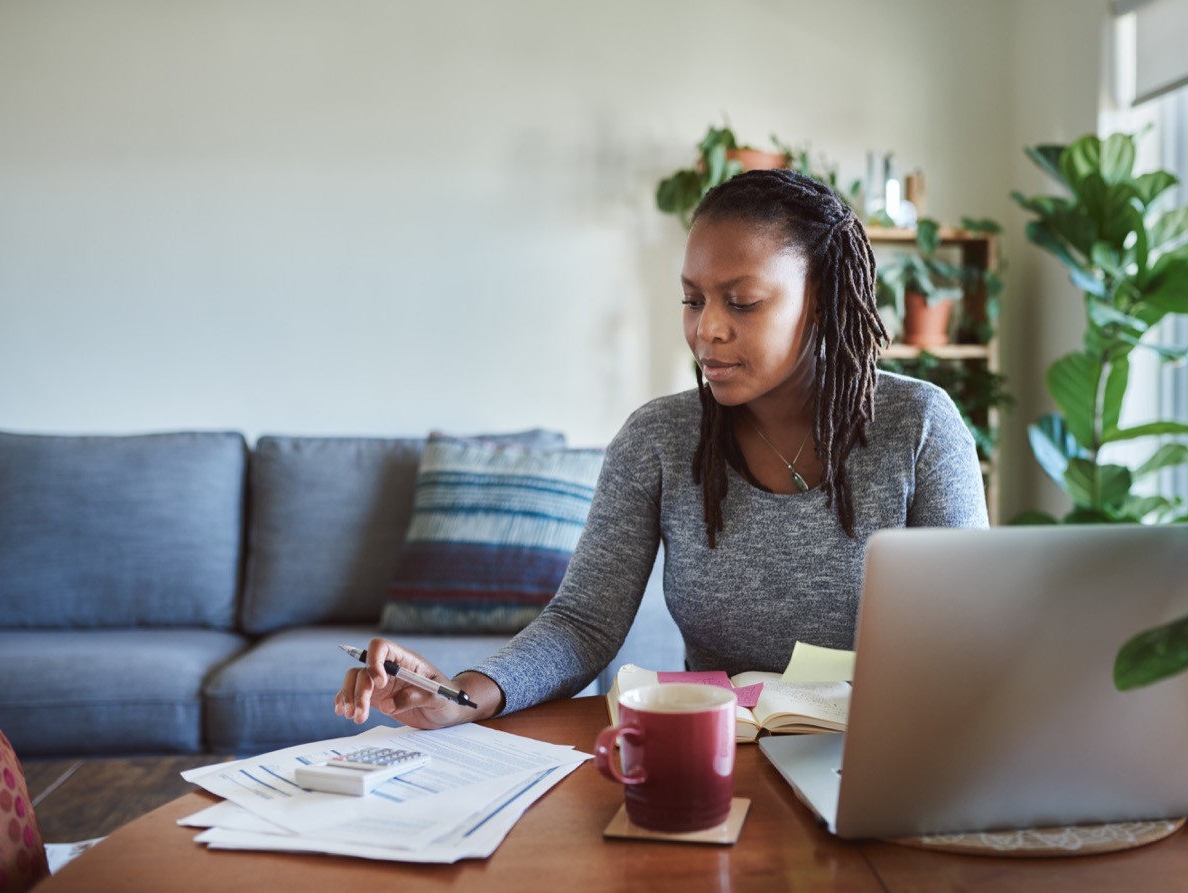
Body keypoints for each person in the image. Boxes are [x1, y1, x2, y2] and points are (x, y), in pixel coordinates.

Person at [334, 168, 988, 731]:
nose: (706, 328)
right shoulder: (659, 440)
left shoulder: (919, 426)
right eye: (692, 298)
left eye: (742, 302)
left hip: (885, 757)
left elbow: (969, 639)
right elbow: (582, 624)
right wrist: (459, 696)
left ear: (820, 302)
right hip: (721, 760)